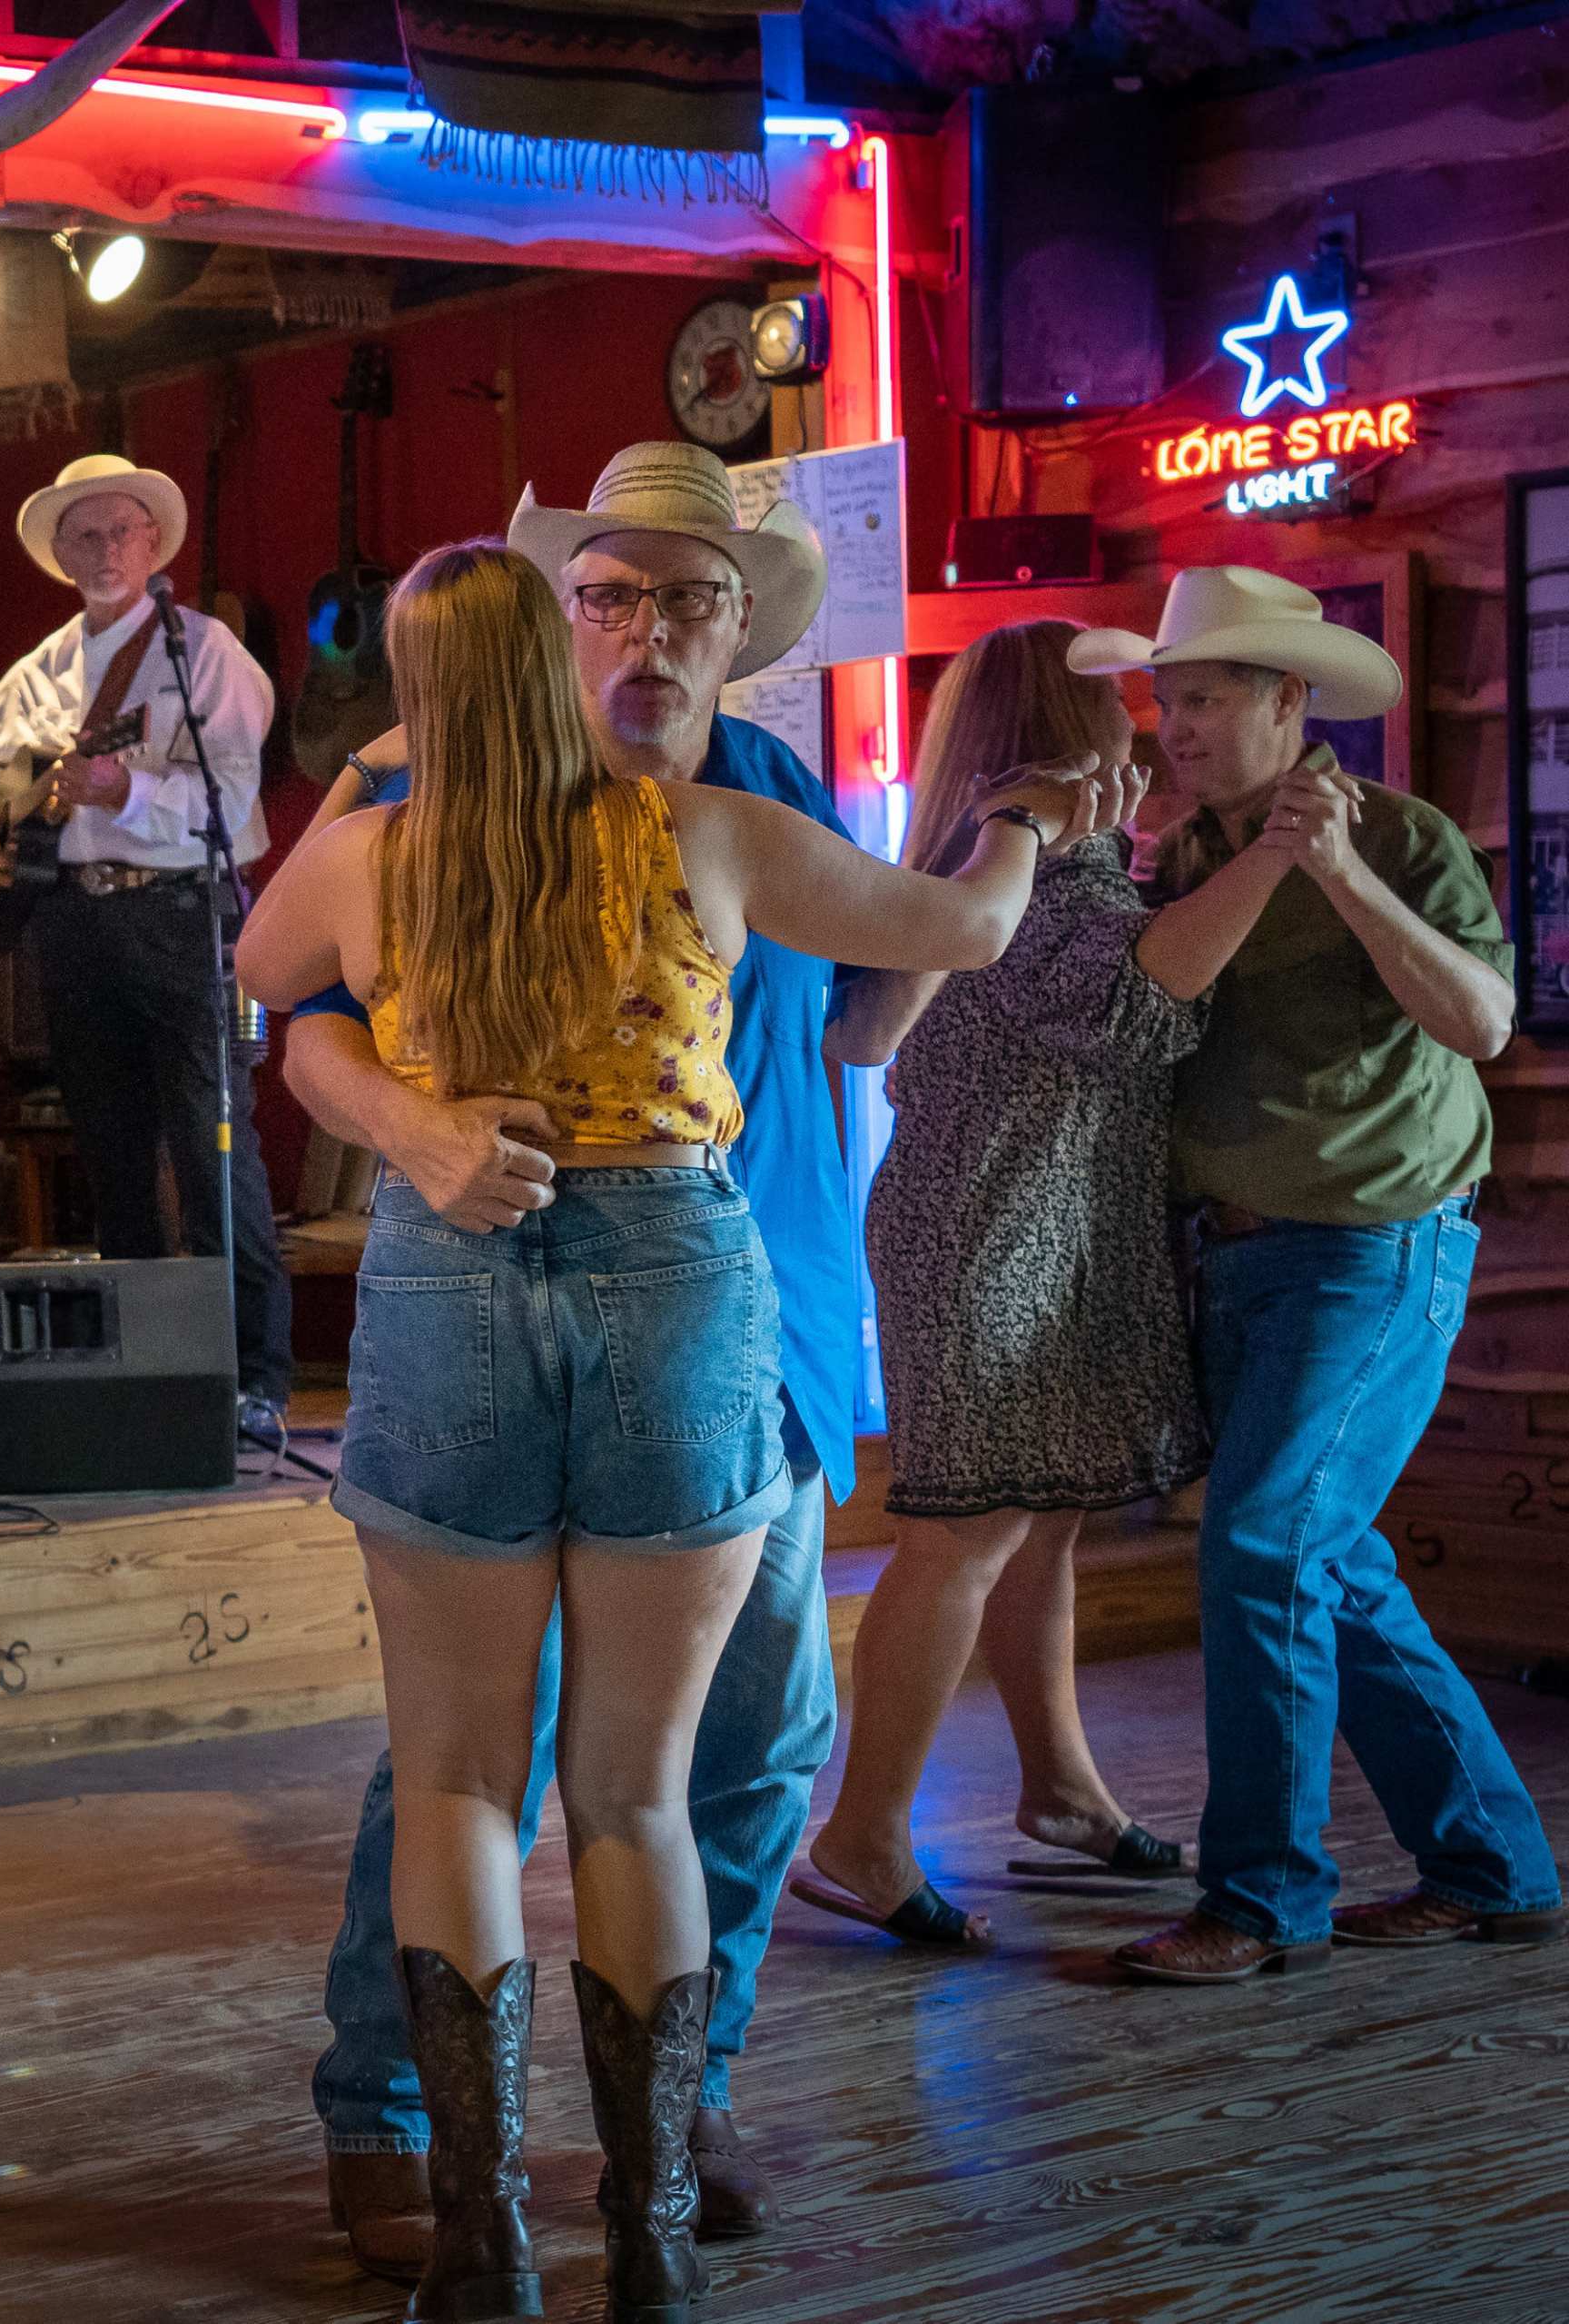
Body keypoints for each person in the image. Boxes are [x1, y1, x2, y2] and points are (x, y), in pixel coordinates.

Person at [244, 538, 1089, 2324]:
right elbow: (965, 930)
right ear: (554, 663)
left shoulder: (371, 848)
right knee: (637, 1791)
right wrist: (1021, 814)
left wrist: (377, 796)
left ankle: (480, 2242)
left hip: (450, 1277)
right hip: (681, 1267)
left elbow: (259, 966)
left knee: (461, 1782)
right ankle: (646, 2235)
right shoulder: (707, 831)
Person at [275, 443, 870, 2274]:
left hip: (758, 1303)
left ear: (735, 630)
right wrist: (415, 1129)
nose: (647, 625)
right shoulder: (415, 776)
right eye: (610, 591)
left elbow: (867, 1005)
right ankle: (397, 2122)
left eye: (688, 597)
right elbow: (299, 1014)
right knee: (469, 1747)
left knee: (760, 1742)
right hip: (515, 1275)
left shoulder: (770, 788)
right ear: (559, 616)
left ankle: (667, 2112)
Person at [1077, 569, 1564, 1982]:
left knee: (1265, 1544)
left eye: (1210, 695)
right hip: (1231, 1261)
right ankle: (1495, 1865)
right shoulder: (1178, 857)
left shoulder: (1403, 837)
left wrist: (1339, 869)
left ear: (1292, 702)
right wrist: (1268, 862)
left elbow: (1478, 1019)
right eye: (1170, 697)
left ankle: (1263, 1896)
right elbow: (1159, 993)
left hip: (1376, 1247)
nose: (1177, 722)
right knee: (1328, 1563)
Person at [791, 620, 1273, 1947]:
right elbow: (1135, 1012)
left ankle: (1060, 1787)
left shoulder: (1014, 850)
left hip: (1029, 1216)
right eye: (1120, 703)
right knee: (967, 1522)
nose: (1141, 729)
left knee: (1040, 1511)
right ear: (1067, 727)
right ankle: (864, 1832)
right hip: (992, 1222)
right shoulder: (1044, 867)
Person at [0, 451, 294, 1427]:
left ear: (154, 544)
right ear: (60, 551)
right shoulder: (43, 668)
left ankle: (254, 1375)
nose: (101, 548)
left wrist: (123, 787)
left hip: (180, 916)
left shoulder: (207, 652)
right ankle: (149, 1370)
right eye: (81, 534)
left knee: (214, 1149)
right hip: (75, 919)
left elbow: (235, 798)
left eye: (119, 530)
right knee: (112, 1149)